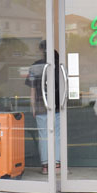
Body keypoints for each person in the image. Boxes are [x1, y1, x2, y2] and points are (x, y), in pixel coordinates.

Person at [26, 40, 61, 175]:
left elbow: (33, 90)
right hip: (57, 105)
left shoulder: (35, 66)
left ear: (41, 50)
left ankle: (45, 165)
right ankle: (57, 164)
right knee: (57, 135)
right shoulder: (59, 65)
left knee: (43, 135)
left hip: (41, 105)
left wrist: (33, 106)